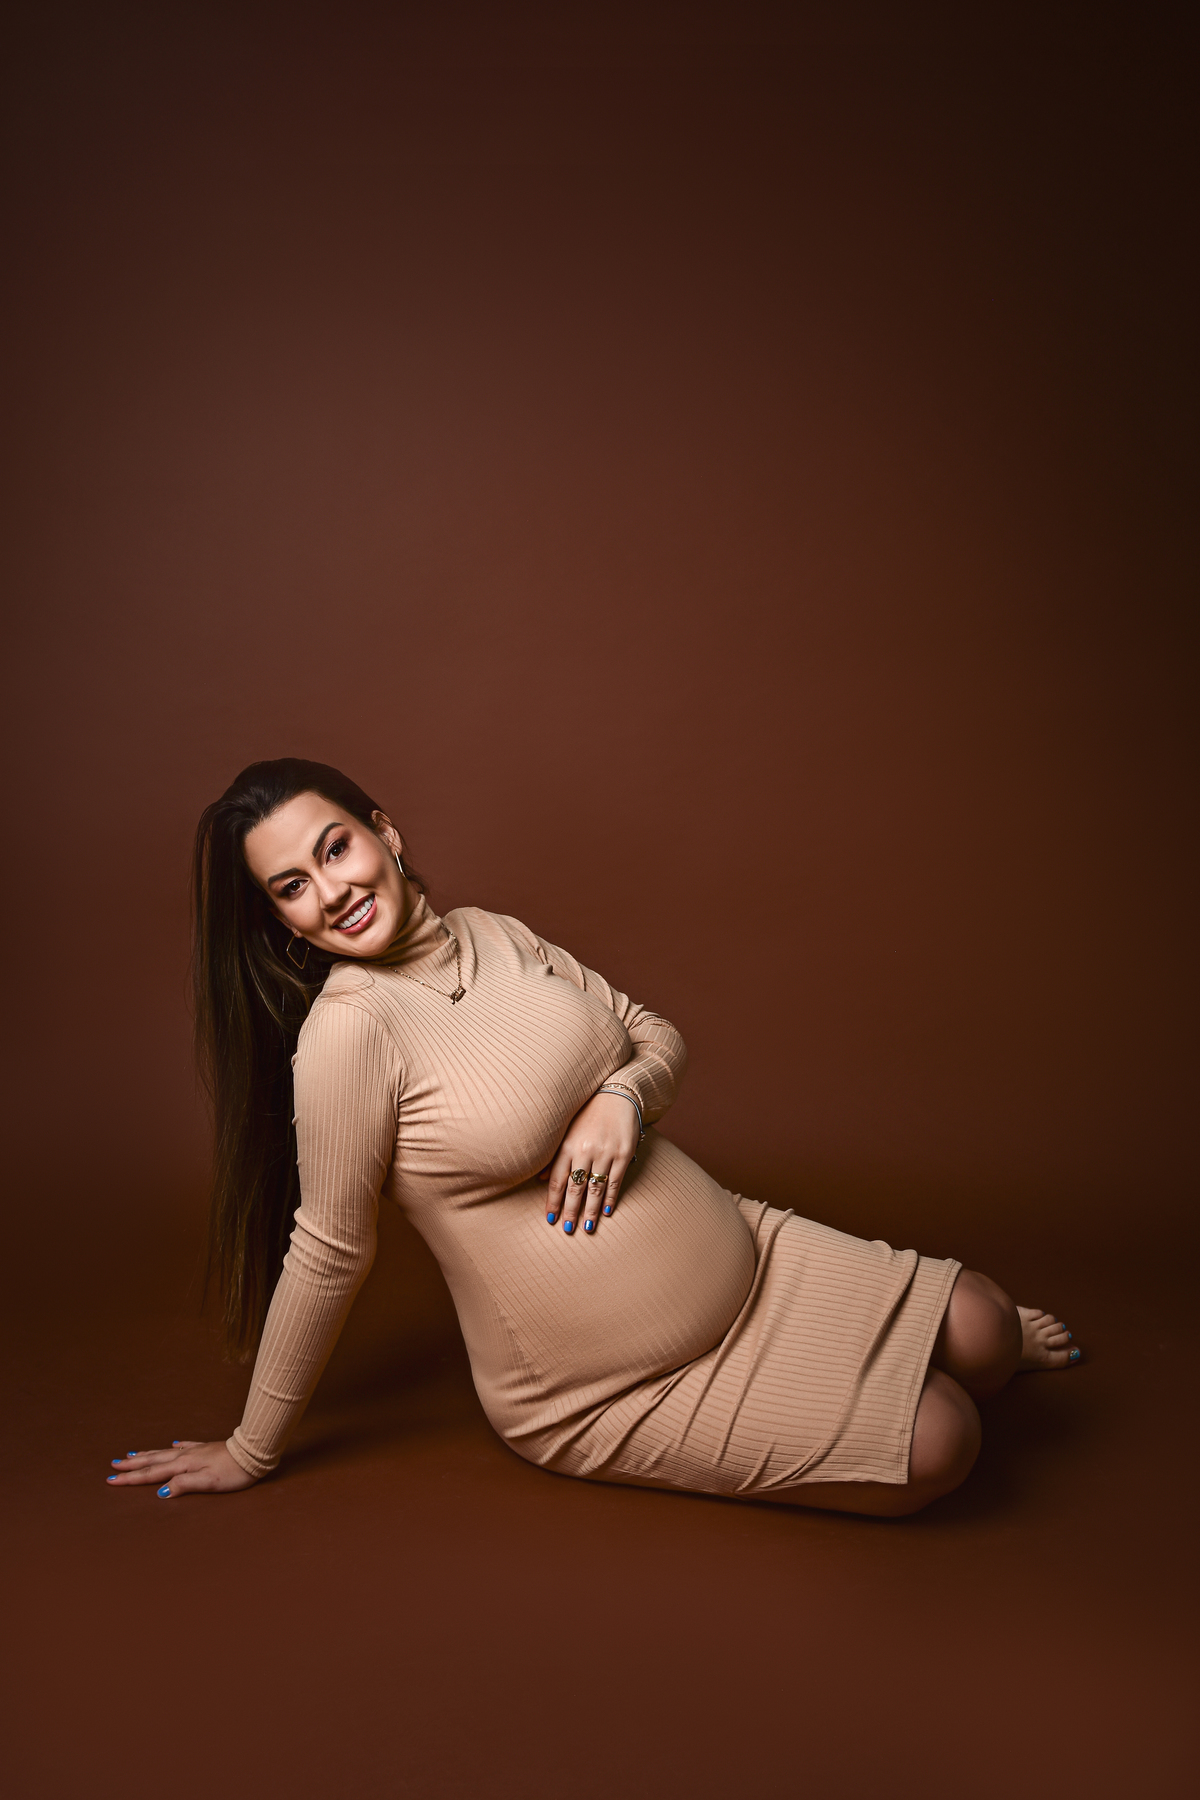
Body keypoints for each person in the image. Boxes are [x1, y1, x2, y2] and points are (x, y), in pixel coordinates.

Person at [106, 758, 1079, 1516]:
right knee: (946, 1439)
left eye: (335, 850)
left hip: (751, 1255)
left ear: (384, 833)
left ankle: (928, 1354)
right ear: (283, 922)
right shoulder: (349, 1033)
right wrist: (252, 1448)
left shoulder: (493, 933)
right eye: (291, 886)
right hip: (608, 1384)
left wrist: (623, 1098)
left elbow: (654, 1034)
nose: (330, 890)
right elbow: (328, 1251)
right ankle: (875, 1399)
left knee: (987, 1328)